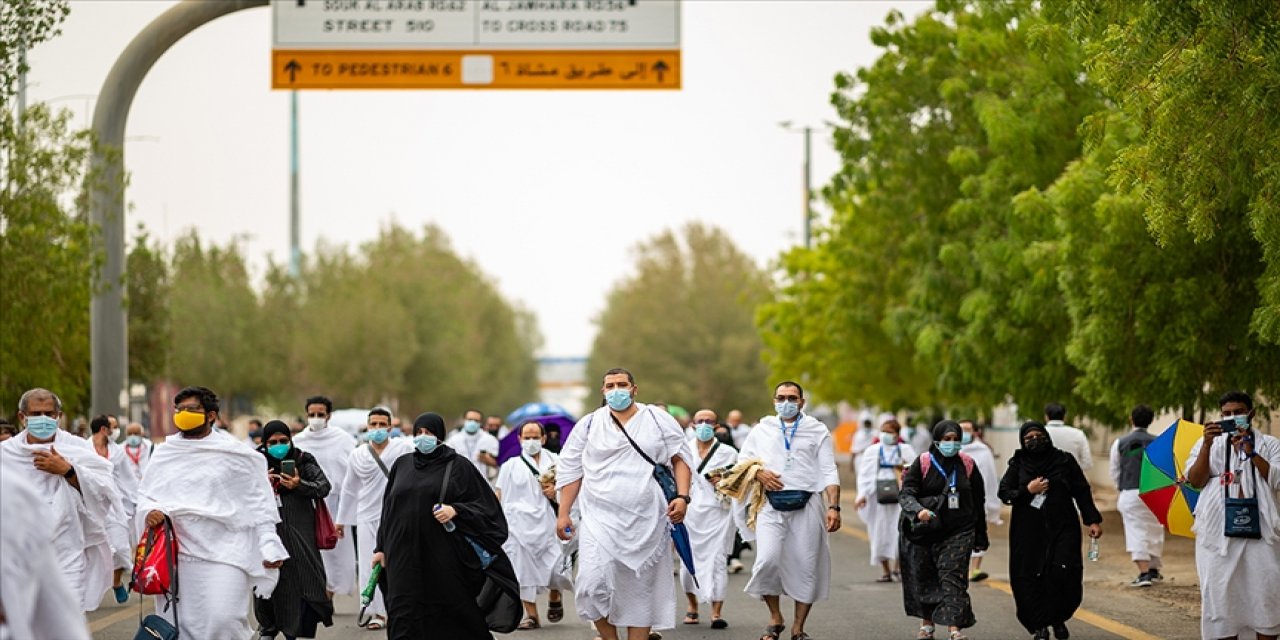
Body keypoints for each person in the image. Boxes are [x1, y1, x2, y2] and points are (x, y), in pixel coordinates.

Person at [135, 386, 289, 638]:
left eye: (191, 409)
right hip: (175, 554)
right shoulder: (164, 453)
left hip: (226, 551)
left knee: (223, 619)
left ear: (211, 415)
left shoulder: (236, 454)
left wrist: (268, 542)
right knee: (179, 624)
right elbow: (146, 495)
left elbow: (259, 503)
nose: (183, 414)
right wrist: (150, 511)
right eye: (179, 409)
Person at [555, 368, 693, 640]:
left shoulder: (657, 419)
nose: (616, 390)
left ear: (634, 389)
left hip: (647, 518)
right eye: (610, 386)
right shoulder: (589, 424)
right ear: (603, 391)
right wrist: (563, 513)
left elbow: (681, 458)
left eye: (622, 384)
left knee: (639, 590)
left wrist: (682, 496)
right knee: (590, 585)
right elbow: (571, 469)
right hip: (598, 518)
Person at [373, 412, 518, 639]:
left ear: (439, 435)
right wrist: (380, 548)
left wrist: (456, 510)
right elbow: (389, 509)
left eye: (429, 432)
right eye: (419, 432)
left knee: (450, 610)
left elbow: (486, 506)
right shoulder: (403, 464)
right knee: (403, 608)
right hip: (402, 553)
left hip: (442, 554)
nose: (423, 437)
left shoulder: (458, 466)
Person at [0, 388, 120, 612]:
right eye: (36, 414)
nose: (43, 419)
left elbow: (103, 491)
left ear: (59, 416)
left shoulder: (77, 447)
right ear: (22, 417)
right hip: (18, 554)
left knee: (67, 618)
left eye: (49, 414)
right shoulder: (6, 453)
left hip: (67, 550)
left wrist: (68, 471)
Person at [739, 381, 841, 640]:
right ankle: (775, 616)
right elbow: (742, 462)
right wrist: (758, 473)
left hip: (807, 504)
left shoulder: (817, 429)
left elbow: (829, 469)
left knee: (806, 565)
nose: (786, 402)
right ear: (774, 401)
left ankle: (798, 628)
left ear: (802, 402)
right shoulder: (762, 429)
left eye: (792, 398)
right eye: (781, 398)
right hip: (769, 504)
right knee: (767, 560)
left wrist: (834, 506)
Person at [1185, 390, 1280, 640]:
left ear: (1251, 414)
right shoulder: (1209, 444)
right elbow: (1195, 480)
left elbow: (1277, 480)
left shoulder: (1270, 444)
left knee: (1266, 593)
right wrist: (1206, 445)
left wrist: (1251, 452)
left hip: (1261, 531)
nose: (1232, 417)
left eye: (1238, 412)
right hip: (1217, 533)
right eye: (1226, 414)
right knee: (1220, 597)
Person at [999, 421, 1102, 640]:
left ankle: (1058, 617)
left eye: (1038, 435)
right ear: (1022, 442)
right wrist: (1028, 490)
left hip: (1063, 526)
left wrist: (1092, 520)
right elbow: (1005, 492)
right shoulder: (1019, 463)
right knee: (1031, 577)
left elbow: (1081, 490)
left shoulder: (1064, 460)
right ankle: (1040, 625)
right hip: (1028, 531)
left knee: (1062, 572)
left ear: (1046, 436)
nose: (1034, 441)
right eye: (1028, 438)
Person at [897, 421, 989, 640]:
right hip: (924, 531)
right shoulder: (923, 462)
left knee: (953, 577)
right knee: (925, 577)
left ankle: (954, 629)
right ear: (937, 440)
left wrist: (981, 535)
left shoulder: (967, 464)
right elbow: (907, 492)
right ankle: (927, 624)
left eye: (956, 439)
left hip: (959, 530)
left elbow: (978, 501)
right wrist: (918, 510)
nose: (952, 443)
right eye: (947, 439)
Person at [254, 420, 334, 640]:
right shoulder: (255, 463)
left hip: (301, 532)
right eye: (272, 442)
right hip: (268, 532)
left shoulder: (302, 459)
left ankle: (298, 629)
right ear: (264, 444)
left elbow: (323, 486)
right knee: (270, 578)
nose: (279, 446)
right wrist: (262, 483)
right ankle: (268, 626)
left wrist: (299, 485)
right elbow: (240, 493)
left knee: (307, 579)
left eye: (283, 441)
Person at [335, 408, 411, 631]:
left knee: (399, 563)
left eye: (382, 424)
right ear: (367, 427)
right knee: (371, 565)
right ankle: (377, 612)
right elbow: (349, 489)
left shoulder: (403, 450)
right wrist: (341, 520)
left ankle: (400, 609)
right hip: (367, 516)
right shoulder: (358, 455)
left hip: (397, 515)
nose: (377, 429)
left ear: (390, 427)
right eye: (373, 424)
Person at [0, 461, 93, 640]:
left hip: (66, 543)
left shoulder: (10, 492)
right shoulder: (10, 464)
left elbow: (55, 611)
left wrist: (70, 472)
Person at [496, 421, 570, 630]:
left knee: (556, 567)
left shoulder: (557, 462)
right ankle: (531, 615)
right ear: (520, 439)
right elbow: (499, 494)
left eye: (535, 437)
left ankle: (555, 595)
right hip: (517, 526)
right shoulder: (510, 466)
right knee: (522, 571)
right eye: (527, 437)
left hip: (549, 523)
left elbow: (571, 489)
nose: (531, 441)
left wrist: (555, 491)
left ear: (543, 438)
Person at [292, 395, 358, 599]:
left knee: (336, 551)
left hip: (336, 504)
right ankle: (318, 591)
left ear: (329, 415)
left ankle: (333, 589)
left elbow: (351, 473)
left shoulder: (344, 439)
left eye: (320, 414)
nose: (316, 418)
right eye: (312, 414)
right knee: (312, 549)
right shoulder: (298, 441)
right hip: (307, 502)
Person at [680, 409, 739, 629]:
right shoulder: (682, 449)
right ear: (693, 425)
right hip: (689, 512)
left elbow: (739, 483)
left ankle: (716, 612)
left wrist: (724, 482)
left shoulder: (729, 453)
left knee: (717, 561)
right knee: (688, 562)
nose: (704, 424)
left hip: (718, 512)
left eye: (709, 421)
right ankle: (692, 606)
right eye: (700, 421)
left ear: (717, 426)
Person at [1108, 404, 1165, 588]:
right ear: (1151, 421)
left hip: (1131, 492)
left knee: (1136, 530)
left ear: (1131, 419)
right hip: (1154, 492)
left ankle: (1144, 573)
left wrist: (1122, 487)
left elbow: (1114, 470)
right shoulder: (1159, 442)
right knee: (1155, 529)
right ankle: (1154, 569)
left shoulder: (1120, 443)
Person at [855, 414, 917, 582]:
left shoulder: (906, 450)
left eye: (890, 432)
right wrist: (863, 495)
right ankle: (885, 571)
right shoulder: (872, 451)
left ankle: (898, 569)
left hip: (900, 500)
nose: (886, 435)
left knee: (900, 533)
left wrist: (901, 467)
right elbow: (865, 476)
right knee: (879, 533)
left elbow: (915, 473)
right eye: (883, 431)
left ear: (897, 434)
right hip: (878, 500)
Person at [89, 414, 140, 603]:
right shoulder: (83, 449)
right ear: (104, 429)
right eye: (113, 427)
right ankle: (87, 589)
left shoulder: (118, 452)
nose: (115, 431)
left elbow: (129, 478)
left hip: (115, 507)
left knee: (119, 547)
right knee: (91, 550)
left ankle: (116, 582)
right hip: (90, 506)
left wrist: (138, 499)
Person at [958, 419, 1001, 582]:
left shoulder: (983, 451)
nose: (964, 433)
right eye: (961, 429)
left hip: (977, 499)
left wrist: (991, 502)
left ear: (975, 432)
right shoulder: (951, 450)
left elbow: (990, 477)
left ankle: (975, 568)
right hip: (956, 500)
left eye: (967, 429)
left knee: (978, 531)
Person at [446, 408, 501, 482]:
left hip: (483, 482)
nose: (472, 422)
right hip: (459, 481)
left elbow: (498, 463)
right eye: (470, 419)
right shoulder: (453, 440)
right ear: (464, 420)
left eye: (476, 421)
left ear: (481, 422)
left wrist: (488, 460)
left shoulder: (490, 440)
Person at [1043, 402, 1093, 472]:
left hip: (1044, 477)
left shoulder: (1038, 434)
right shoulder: (1078, 434)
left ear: (1046, 417)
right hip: (1071, 476)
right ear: (1065, 417)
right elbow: (1087, 463)